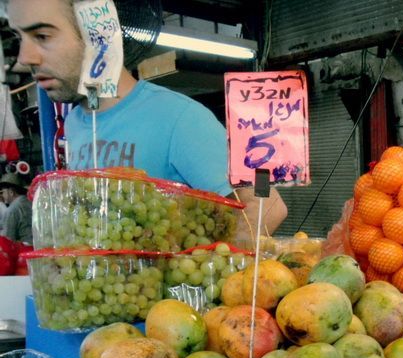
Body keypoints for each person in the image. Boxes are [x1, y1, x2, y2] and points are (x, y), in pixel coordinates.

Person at [6, 0, 288, 240]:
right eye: (20, 38)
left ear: (97, 34)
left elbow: (268, 207)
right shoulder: (77, 123)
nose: (23, 58)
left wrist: (206, 277)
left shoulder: (180, 119)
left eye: (42, 36)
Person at [0, 173, 31, 245]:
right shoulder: (29, 201)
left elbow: (6, 240)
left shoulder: (12, 210)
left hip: (24, 250)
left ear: (11, 192)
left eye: (3, 192)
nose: (2, 196)